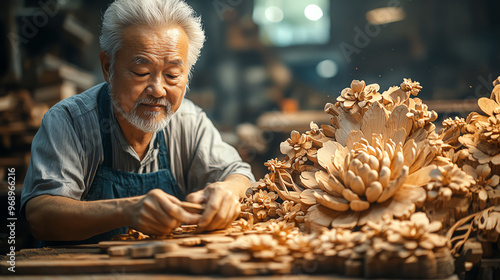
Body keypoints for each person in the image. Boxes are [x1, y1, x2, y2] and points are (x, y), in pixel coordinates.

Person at [20, 0, 255, 244]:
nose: (157, 90)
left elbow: (239, 174)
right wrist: (126, 210)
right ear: (108, 67)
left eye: (172, 75)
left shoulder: (189, 120)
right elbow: (41, 216)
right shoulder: (69, 121)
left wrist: (227, 192)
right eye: (141, 73)